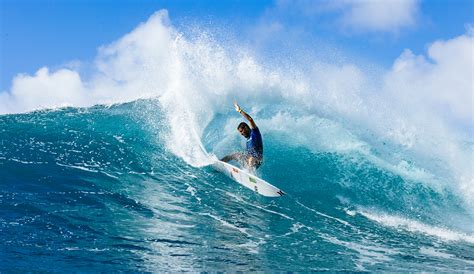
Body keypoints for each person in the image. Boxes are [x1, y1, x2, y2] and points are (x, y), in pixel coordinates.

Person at [221, 102, 263, 169]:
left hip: (257, 160)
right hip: (250, 160)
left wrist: (240, 110)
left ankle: (249, 175)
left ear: (245, 128)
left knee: (251, 159)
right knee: (234, 155)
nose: (241, 134)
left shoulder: (255, 133)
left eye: (241, 131)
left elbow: (250, 119)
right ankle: (220, 163)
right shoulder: (247, 140)